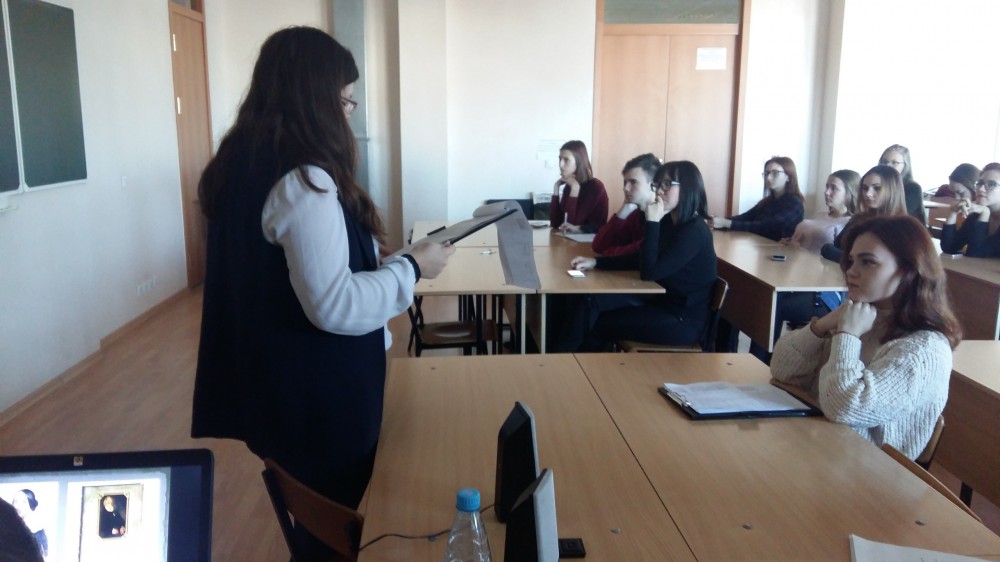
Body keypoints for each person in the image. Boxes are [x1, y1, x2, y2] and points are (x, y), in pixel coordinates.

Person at [189, 27, 454, 558]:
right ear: (314, 98)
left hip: (275, 394)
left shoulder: (240, 163)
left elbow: (282, 274)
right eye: (345, 100)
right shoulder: (303, 179)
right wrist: (412, 268)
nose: (349, 115)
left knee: (318, 528)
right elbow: (335, 304)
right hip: (319, 404)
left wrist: (371, 259)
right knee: (337, 531)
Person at [771, 215, 961, 460]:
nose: (851, 271)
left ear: (908, 270)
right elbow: (782, 369)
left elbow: (843, 407)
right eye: (851, 261)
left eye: (868, 262)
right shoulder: (862, 315)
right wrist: (821, 327)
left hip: (869, 472)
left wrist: (847, 335)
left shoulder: (925, 349)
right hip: (821, 448)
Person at [556, 161, 716, 351]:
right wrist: (597, 263)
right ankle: (559, 356)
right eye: (658, 185)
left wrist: (652, 222)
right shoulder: (671, 223)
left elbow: (649, 272)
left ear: (688, 188)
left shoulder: (693, 232)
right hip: (658, 302)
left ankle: (569, 362)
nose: (659, 191)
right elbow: (638, 257)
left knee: (599, 322)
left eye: (667, 185)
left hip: (681, 319)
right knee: (591, 302)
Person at [821, 165, 908, 263]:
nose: (868, 194)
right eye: (865, 188)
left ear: (892, 190)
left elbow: (874, 263)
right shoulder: (858, 219)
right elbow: (833, 247)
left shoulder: (902, 228)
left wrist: (851, 259)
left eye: (877, 188)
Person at [709, 156, 804, 241]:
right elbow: (745, 217)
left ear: (788, 177)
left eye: (775, 173)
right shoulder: (767, 201)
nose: (768, 178)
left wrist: (727, 223)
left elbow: (769, 226)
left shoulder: (795, 203)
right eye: (766, 173)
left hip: (781, 251)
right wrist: (717, 221)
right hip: (760, 246)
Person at [591, 153, 659, 256]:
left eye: (633, 182)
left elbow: (638, 253)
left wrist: (609, 254)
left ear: (653, 185)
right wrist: (624, 210)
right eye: (625, 182)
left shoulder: (662, 219)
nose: (625, 188)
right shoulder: (635, 215)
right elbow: (598, 246)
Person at [783, 169, 859, 253]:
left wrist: (798, 249)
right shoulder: (820, 214)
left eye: (833, 188)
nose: (826, 192)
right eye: (827, 187)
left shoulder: (848, 223)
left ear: (849, 193)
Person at [941, 162, 1000, 257]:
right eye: (980, 183)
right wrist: (952, 213)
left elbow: (977, 254)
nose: (981, 189)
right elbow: (949, 247)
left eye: (991, 184)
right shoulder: (977, 214)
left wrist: (985, 213)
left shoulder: (982, 212)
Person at [549, 140, 609, 233]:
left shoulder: (595, 187)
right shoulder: (569, 186)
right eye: (560, 159)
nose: (560, 165)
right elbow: (556, 223)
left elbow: (571, 224)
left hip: (591, 239)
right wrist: (556, 189)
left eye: (566, 160)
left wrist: (575, 190)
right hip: (570, 239)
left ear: (579, 162)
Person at [878, 144, 925, 224]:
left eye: (894, 162)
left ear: (905, 165)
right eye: (884, 162)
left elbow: (895, 215)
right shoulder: (874, 185)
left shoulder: (913, 188)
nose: (888, 165)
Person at [10, 489, 47, 558]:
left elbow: (43, 555)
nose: (18, 506)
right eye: (16, 502)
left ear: (31, 504)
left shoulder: (37, 531)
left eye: (24, 502)